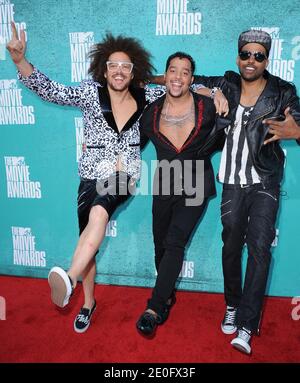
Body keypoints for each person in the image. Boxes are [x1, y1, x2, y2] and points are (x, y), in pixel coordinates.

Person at [7, 22, 228, 334]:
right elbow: (53, 91)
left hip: (124, 174)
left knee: (100, 214)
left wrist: (215, 91)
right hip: (89, 175)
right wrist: (20, 61)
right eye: (114, 65)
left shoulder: (148, 94)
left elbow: (183, 86)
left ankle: (69, 278)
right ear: (104, 68)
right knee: (88, 238)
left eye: (126, 66)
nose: (120, 71)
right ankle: (87, 302)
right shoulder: (88, 93)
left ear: (133, 70)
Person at [193, 30, 300, 354]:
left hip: (265, 181)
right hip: (232, 182)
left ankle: (246, 326)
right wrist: (211, 91)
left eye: (258, 56)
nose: (251, 61)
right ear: (237, 56)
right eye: (245, 54)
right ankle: (232, 303)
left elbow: (298, 119)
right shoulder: (226, 82)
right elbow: (189, 81)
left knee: (259, 249)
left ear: (267, 58)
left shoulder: (283, 91)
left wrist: (298, 130)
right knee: (230, 246)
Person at [136, 52, 228, 337]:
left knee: (175, 241)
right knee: (160, 243)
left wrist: (217, 92)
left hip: (196, 183)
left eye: (185, 72)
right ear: (165, 76)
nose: (178, 77)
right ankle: (166, 296)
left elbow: (228, 133)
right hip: (164, 182)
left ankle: (153, 307)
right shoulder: (150, 113)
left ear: (191, 78)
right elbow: (131, 142)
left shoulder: (208, 106)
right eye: (173, 71)